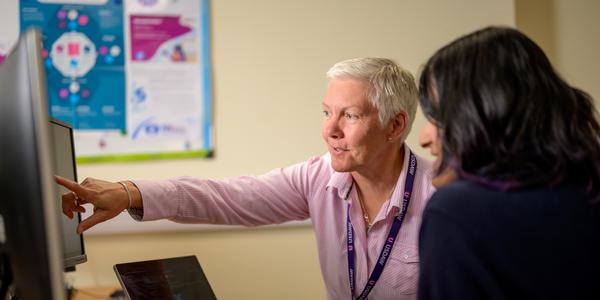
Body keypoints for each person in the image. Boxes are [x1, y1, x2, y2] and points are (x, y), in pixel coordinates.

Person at [56, 57, 435, 299]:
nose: (330, 130)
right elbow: (229, 197)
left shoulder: (442, 197)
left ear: (395, 125)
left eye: (349, 116)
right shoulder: (317, 177)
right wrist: (129, 193)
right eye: (325, 113)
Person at [416, 26, 600, 299]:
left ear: (482, 116)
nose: (423, 137)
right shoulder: (587, 191)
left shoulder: (457, 212)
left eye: (437, 117)